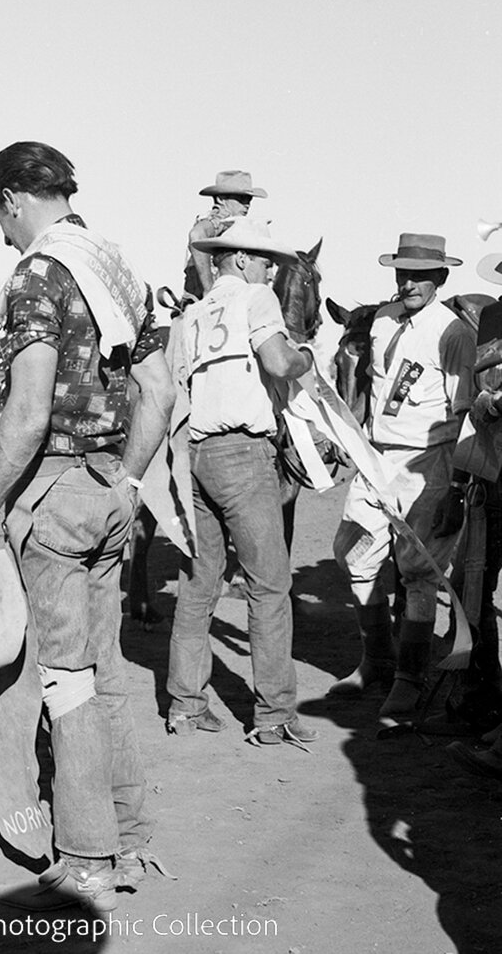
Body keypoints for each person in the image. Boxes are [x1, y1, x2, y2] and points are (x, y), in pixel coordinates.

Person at [0, 141, 173, 910]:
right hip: (111, 487)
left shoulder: (39, 273)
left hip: (53, 491)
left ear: (12, 200)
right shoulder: (116, 266)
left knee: (66, 680)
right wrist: (130, 476)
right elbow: (159, 387)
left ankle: (87, 856)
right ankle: (132, 836)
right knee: (105, 672)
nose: (3, 235)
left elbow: (26, 410)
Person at [165, 218, 319, 746]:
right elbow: (278, 361)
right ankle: (274, 713)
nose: (271, 268)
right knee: (270, 585)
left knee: (198, 585)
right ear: (239, 259)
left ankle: (185, 704)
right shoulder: (257, 298)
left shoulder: (191, 315)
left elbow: (174, 386)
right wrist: (307, 357)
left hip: (197, 452)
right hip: (244, 452)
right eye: (264, 258)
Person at [330, 233, 474, 718]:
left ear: (442, 278)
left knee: (417, 572)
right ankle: (376, 659)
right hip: (375, 456)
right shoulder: (383, 320)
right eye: (403, 272)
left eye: (421, 275)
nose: (409, 282)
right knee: (350, 551)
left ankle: (410, 679)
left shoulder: (453, 333)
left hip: (426, 459)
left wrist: (455, 484)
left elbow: (464, 410)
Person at [184, 170, 267, 299]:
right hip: (206, 301)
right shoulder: (221, 218)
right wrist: (209, 290)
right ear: (221, 199)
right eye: (240, 198)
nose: (247, 204)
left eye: (249, 199)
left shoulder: (230, 222)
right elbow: (197, 235)